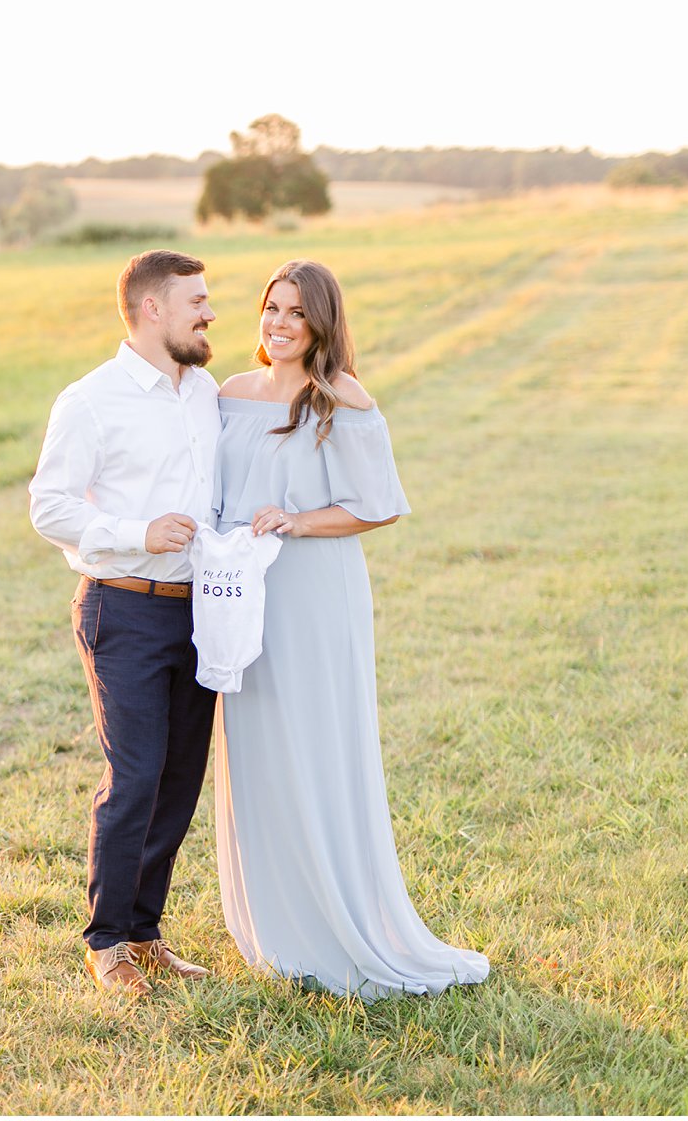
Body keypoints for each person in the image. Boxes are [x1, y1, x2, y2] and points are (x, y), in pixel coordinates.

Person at [212, 258, 489, 999]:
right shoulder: (230, 396)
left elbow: (378, 504)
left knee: (317, 744)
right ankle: (277, 922)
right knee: (259, 746)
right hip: (242, 595)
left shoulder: (342, 399)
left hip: (313, 591)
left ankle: (340, 922)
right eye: (271, 308)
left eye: (296, 313)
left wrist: (295, 520)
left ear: (322, 323)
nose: (278, 324)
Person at [28, 249, 221, 996]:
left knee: (178, 780)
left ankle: (147, 934)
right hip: (124, 605)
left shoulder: (205, 391)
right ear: (151, 310)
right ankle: (106, 941)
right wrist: (140, 531)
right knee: (135, 776)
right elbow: (50, 507)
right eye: (196, 301)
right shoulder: (91, 400)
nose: (209, 313)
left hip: (201, 613)